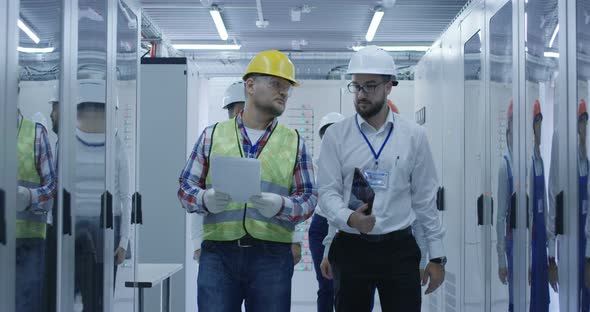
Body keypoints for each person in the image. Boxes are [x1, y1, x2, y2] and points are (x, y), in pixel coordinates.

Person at [178, 50, 317, 312]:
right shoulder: (213, 135)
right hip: (219, 254)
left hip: (272, 256)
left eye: (287, 87)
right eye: (277, 83)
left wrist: (281, 205)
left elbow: (309, 198)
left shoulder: (294, 141)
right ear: (250, 85)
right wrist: (204, 199)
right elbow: (185, 189)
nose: (284, 92)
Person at [317, 45, 446, 312]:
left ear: (389, 87)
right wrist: (348, 219)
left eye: (371, 86)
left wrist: (436, 255)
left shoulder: (413, 136)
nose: (362, 95)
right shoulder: (336, 136)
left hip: (398, 250)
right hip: (351, 247)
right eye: (357, 86)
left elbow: (424, 199)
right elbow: (328, 193)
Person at [319, 103, 430, 311]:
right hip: (353, 246)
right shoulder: (356, 153)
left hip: (398, 247)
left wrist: (426, 257)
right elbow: (338, 210)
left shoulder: (410, 144)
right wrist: (327, 250)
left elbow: (421, 209)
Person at [190, 81, 302, 265]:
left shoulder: (284, 143)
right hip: (222, 249)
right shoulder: (214, 140)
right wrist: (197, 243)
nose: (239, 115)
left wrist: (296, 238)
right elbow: (198, 197)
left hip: (269, 248)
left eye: (243, 108)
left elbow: (294, 195)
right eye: (235, 110)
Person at [73, 80, 131, 312]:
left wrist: (124, 241)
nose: (94, 116)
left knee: (100, 301)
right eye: (90, 110)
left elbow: (126, 197)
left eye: (99, 110)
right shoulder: (68, 143)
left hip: (108, 228)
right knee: (83, 299)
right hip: (74, 229)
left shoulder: (116, 146)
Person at [15, 92, 57, 312]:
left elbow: (52, 190)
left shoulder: (36, 134)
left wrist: (29, 197)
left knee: (26, 306)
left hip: (29, 242)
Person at [309, 112, 346, 312]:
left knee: (347, 287)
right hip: (322, 226)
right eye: (326, 133)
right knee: (325, 286)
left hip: (347, 226)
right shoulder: (315, 163)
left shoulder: (353, 160)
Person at [528, 99, 554, 312]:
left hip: (541, 238)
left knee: (542, 295)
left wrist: (548, 237)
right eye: (536, 123)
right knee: (533, 295)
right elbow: (527, 211)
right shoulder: (528, 162)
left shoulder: (541, 161)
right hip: (532, 239)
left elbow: (544, 203)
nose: (539, 128)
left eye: (540, 123)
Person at [496, 101, 516, 311]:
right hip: (512, 243)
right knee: (514, 299)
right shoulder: (505, 165)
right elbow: (501, 216)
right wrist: (501, 259)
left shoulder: (527, 162)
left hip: (529, 243)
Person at [577, 99, 590, 312]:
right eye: (582, 123)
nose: (584, 128)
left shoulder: (587, 162)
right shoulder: (575, 163)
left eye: (586, 124)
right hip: (576, 238)